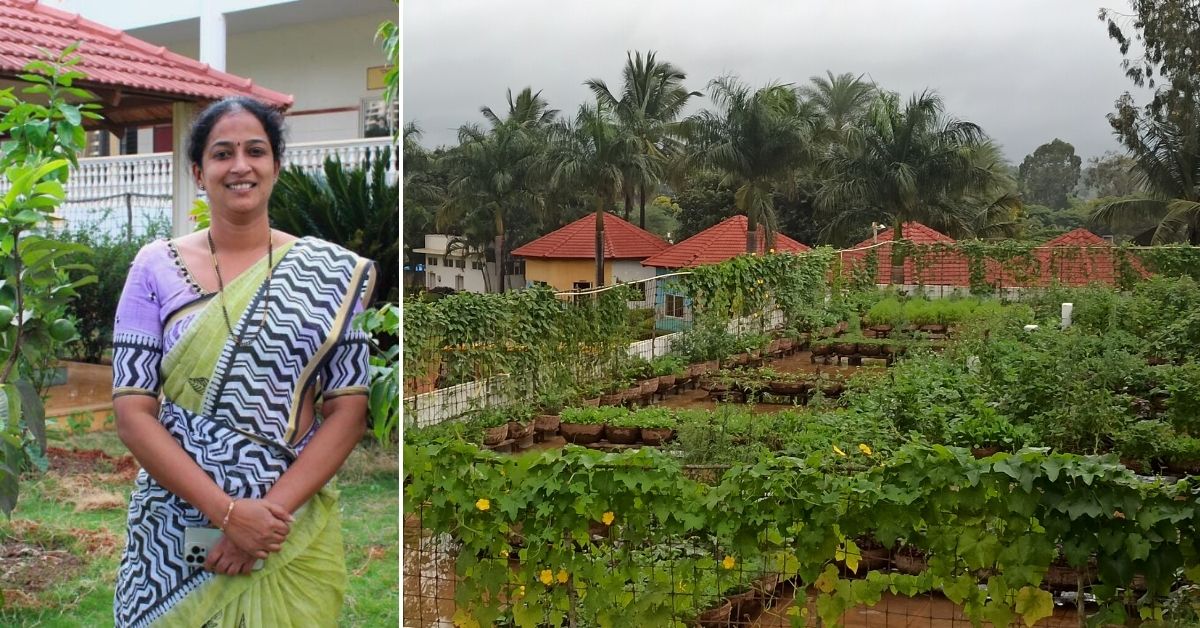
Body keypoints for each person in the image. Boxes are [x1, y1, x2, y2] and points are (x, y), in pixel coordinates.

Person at [111, 96, 376, 627]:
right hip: (182, 517)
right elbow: (132, 411)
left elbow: (348, 410)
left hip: (287, 525)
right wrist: (227, 514)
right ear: (198, 171)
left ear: (276, 166)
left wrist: (265, 519)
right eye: (222, 153)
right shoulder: (154, 267)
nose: (240, 166)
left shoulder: (328, 274)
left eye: (256, 151)